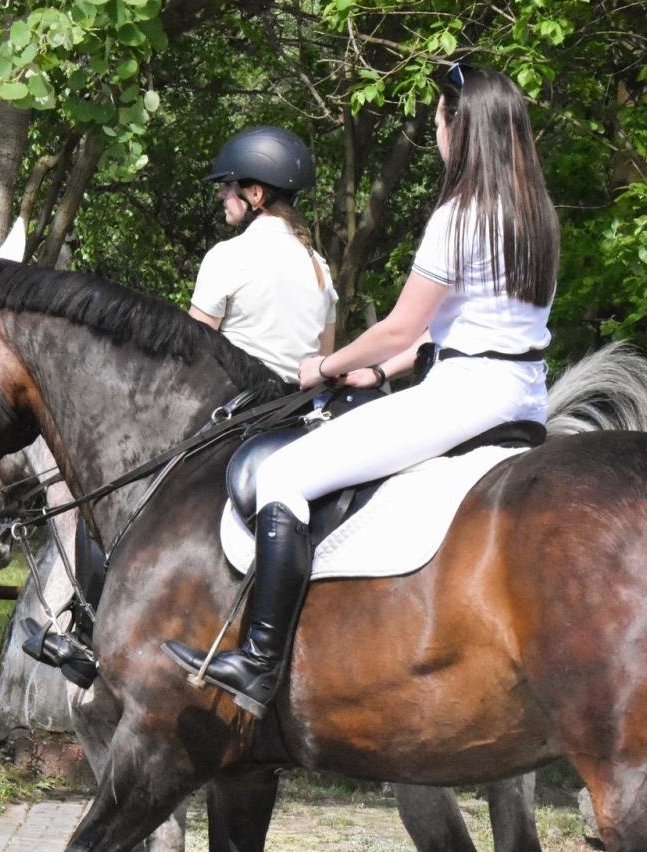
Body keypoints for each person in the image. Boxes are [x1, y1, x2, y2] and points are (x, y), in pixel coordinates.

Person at [163, 61, 559, 716]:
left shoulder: (459, 215)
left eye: (437, 119)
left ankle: (259, 661)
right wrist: (380, 372)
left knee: (283, 478)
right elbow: (447, 331)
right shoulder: (533, 216)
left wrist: (326, 366)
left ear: (458, 128)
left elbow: (403, 324)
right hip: (524, 399)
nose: (434, 130)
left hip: (465, 397)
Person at [190, 125, 338, 385]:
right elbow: (324, 359)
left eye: (228, 186)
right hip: (303, 411)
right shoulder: (318, 265)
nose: (221, 194)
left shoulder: (226, 257)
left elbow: (192, 352)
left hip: (242, 413)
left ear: (255, 194)